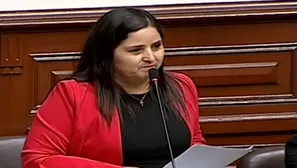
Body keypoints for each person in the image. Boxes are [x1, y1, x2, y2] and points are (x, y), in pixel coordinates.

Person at [21, 7, 206, 168]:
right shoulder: (72, 94)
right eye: (136, 50)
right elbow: (37, 160)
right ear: (107, 55)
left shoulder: (181, 85)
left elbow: (194, 142)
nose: (151, 57)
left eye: (156, 46)